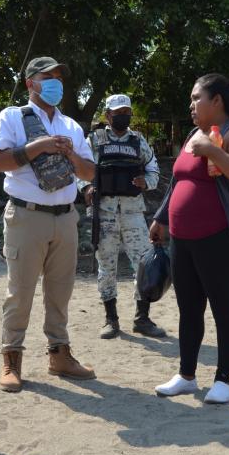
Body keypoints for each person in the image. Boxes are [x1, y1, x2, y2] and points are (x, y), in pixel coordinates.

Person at [0, 56, 97, 393]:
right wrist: (39, 147)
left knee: (60, 292)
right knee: (20, 292)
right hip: (27, 216)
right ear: (30, 83)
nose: (55, 83)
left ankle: (59, 355)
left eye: (58, 77)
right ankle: (11, 359)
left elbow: (89, 173)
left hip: (65, 217)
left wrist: (69, 156)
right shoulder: (12, 118)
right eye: (46, 76)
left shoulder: (71, 126)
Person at [149, 74, 229, 404]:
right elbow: (177, 183)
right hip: (182, 239)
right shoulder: (191, 135)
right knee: (188, 309)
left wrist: (213, 151)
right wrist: (161, 217)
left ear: (217, 102)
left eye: (197, 98)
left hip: (220, 237)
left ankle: (223, 380)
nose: (191, 105)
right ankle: (186, 376)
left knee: (224, 308)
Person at [79, 93, 165, 339]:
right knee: (107, 267)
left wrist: (145, 182)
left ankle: (142, 318)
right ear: (107, 115)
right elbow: (80, 167)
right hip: (104, 212)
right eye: (118, 114)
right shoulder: (94, 140)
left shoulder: (138, 141)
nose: (123, 117)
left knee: (143, 264)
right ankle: (111, 319)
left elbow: (153, 168)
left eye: (127, 112)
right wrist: (86, 187)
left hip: (133, 212)